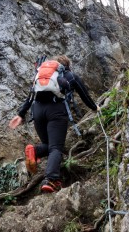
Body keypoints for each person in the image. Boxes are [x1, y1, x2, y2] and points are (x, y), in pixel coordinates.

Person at [9, 55, 99, 193]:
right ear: (66, 66)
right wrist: (95, 108)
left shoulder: (40, 76)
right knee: (56, 147)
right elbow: (84, 94)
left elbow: (30, 97)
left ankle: (35, 151)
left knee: (49, 145)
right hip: (56, 111)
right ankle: (51, 179)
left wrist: (20, 114)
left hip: (37, 111)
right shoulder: (69, 75)